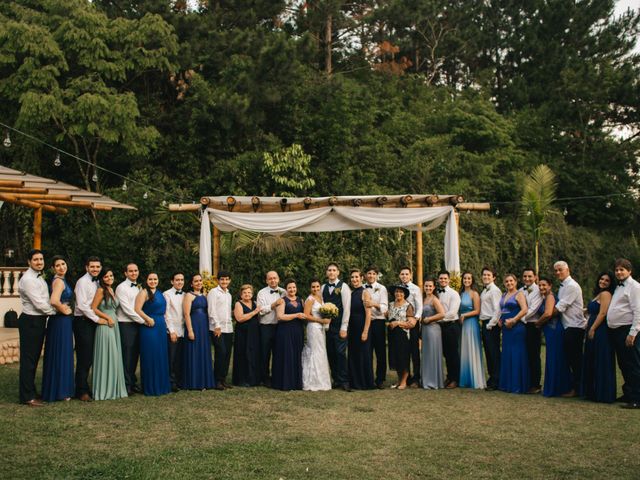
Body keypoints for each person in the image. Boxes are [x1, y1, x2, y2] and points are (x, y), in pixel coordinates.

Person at [18, 249, 57, 406]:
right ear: (29, 262)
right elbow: (39, 304)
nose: (39, 262)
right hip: (31, 321)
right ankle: (27, 396)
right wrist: (56, 312)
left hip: (39, 320)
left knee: (33, 359)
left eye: (41, 259)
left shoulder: (38, 277)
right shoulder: (28, 279)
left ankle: (31, 391)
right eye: (35, 260)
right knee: (29, 360)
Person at [606, 258, 640, 409]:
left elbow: (638, 311)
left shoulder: (634, 287)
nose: (618, 272)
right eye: (617, 270)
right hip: (616, 332)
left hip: (628, 330)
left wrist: (632, 333)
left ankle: (637, 398)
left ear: (629, 271)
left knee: (633, 365)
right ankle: (628, 393)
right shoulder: (619, 287)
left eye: (622, 270)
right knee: (623, 365)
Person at [91, 267, 128, 401]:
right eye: (106, 276)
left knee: (115, 355)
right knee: (108, 354)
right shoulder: (101, 290)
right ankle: (104, 389)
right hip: (106, 325)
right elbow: (93, 308)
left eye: (111, 276)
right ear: (101, 278)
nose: (109, 278)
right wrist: (106, 318)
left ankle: (114, 387)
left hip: (114, 324)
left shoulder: (112, 289)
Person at [41, 255, 74, 402]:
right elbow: (53, 300)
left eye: (63, 264)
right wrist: (63, 309)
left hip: (62, 321)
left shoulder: (61, 280)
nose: (62, 267)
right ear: (53, 268)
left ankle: (59, 388)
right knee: (60, 352)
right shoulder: (59, 282)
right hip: (60, 321)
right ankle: (60, 391)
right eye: (58, 265)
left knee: (62, 352)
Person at [580, 272, 616, 403]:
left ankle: (602, 393)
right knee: (592, 358)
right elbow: (594, 310)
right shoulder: (598, 294)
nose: (603, 281)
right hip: (594, 327)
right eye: (601, 279)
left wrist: (593, 328)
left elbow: (603, 313)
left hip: (600, 330)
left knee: (600, 359)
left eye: (607, 280)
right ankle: (592, 391)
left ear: (610, 283)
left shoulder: (606, 294)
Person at [134, 273, 171, 396]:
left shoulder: (160, 293)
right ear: (146, 280)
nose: (153, 281)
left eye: (155, 279)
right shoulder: (144, 292)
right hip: (149, 326)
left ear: (158, 280)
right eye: (150, 279)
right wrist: (148, 319)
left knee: (161, 354)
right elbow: (137, 309)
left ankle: (162, 385)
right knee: (151, 355)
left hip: (160, 325)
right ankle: (150, 386)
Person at [553, 260, 585, 398]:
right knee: (570, 358)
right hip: (567, 326)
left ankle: (578, 389)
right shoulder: (562, 286)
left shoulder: (572, 286)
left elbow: (560, 307)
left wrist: (543, 317)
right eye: (556, 270)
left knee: (575, 360)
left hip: (575, 326)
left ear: (568, 270)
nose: (558, 272)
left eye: (560, 269)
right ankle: (575, 387)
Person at [536, 277, 572, 397]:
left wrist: (538, 323)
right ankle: (556, 386)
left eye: (544, 285)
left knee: (556, 358)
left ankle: (560, 388)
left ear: (550, 286)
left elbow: (548, 313)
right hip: (550, 331)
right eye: (540, 285)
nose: (541, 287)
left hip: (554, 330)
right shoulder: (544, 297)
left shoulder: (550, 296)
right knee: (553, 358)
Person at [73, 256, 102, 401]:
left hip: (93, 321)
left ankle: (87, 386)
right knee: (84, 357)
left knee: (91, 356)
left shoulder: (97, 282)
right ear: (86, 267)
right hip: (83, 321)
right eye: (92, 266)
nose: (95, 269)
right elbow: (82, 306)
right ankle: (81, 390)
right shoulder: (82, 282)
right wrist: (98, 319)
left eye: (97, 267)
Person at [115, 263, 145, 395]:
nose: (133, 273)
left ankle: (132, 382)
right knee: (127, 355)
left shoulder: (139, 287)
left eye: (136, 270)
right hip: (126, 324)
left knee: (135, 355)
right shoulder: (121, 288)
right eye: (131, 271)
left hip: (138, 324)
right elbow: (126, 309)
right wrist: (143, 320)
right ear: (125, 273)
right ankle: (126, 385)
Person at [182, 274, 215, 391]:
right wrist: (190, 330)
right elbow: (186, 314)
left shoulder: (205, 296)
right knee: (194, 353)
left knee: (203, 352)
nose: (198, 283)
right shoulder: (188, 296)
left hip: (204, 327)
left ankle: (205, 381)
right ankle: (194, 382)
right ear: (191, 284)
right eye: (196, 281)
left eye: (200, 281)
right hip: (194, 326)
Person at [498, 273, 529, 394]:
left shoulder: (519, 294)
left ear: (516, 282)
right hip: (506, 328)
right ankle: (507, 384)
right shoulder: (504, 294)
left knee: (516, 354)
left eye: (511, 281)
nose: (509, 283)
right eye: (507, 281)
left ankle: (517, 385)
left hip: (516, 327)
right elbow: (503, 309)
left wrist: (514, 320)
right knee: (507, 353)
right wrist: (501, 319)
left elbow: (525, 309)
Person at [322, 263, 351, 391]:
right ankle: (336, 379)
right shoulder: (323, 287)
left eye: (334, 270)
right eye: (329, 270)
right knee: (331, 353)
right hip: (327, 327)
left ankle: (344, 380)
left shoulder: (344, 287)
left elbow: (346, 308)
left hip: (340, 326)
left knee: (340, 353)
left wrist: (344, 327)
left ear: (338, 272)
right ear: (327, 272)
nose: (332, 272)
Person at [272, 278, 305, 391]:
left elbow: (305, 315)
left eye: (294, 287)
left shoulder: (301, 300)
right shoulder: (282, 300)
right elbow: (280, 316)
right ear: (286, 289)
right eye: (290, 287)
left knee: (296, 355)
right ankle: (285, 383)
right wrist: (296, 315)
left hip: (297, 331)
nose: (292, 289)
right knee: (286, 355)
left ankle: (296, 383)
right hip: (285, 331)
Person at [301, 278, 332, 391]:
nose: (315, 289)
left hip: (321, 328)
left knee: (321, 352)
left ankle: (321, 380)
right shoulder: (310, 299)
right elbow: (306, 316)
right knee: (314, 352)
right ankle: (312, 381)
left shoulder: (320, 297)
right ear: (310, 288)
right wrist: (321, 321)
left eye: (317, 286)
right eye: (313, 287)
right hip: (313, 327)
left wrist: (328, 317)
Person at [347, 269, 374, 390]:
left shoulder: (365, 292)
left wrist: (365, 331)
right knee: (354, 354)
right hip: (352, 328)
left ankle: (365, 383)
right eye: (352, 277)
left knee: (364, 354)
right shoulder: (351, 293)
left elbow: (368, 314)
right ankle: (355, 382)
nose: (354, 279)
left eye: (357, 277)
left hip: (362, 326)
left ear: (361, 278)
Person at [458, 272, 485, 389]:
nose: (466, 280)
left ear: (472, 280)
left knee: (472, 348)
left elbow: (477, 311)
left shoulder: (474, 294)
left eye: (469, 278)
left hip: (471, 323)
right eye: (465, 278)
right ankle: (465, 378)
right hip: (462, 325)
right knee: (464, 350)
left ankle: (476, 379)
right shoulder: (460, 293)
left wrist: (465, 315)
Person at [256, 271, 284, 386]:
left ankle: (277, 376)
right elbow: (261, 310)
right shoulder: (261, 293)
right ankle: (265, 377)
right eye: (270, 279)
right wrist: (273, 305)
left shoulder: (284, 292)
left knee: (278, 352)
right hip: (266, 327)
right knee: (265, 353)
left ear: (278, 279)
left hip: (280, 326)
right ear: (267, 280)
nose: (273, 280)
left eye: (275, 278)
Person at [386, 285, 416, 390]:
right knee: (395, 358)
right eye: (397, 292)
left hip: (403, 334)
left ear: (404, 294)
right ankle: (399, 380)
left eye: (401, 292)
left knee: (403, 358)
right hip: (392, 334)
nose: (398, 294)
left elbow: (411, 323)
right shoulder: (390, 305)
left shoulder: (408, 306)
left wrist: (398, 323)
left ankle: (404, 381)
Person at [364, 265, 388, 389]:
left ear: (377, 275)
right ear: (365, 275)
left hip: (378, 322)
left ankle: (380, 379)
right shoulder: (362, 288)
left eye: (373, 273)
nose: (371, 276)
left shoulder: (382, 288)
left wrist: (374, 304)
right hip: (366, 323)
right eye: (369, 273)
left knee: (380, 352)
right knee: (367, 351)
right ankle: (368, 378)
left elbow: (385, 308)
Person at [208, 271, 233, 389]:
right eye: (222, 279)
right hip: (217, 328)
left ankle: (223, 379)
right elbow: (211, 310)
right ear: (218, 280)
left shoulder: (229, 294)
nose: (225, 281)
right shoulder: (213, 292)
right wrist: (217, 325)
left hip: (228, 328)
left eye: (227, 279)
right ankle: (216, 380)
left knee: (227, 354)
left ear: (229, 281)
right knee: (221, 352)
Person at [232, 284, 262, 387]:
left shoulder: (254, 303)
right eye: (244, 292)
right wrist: (254, 312)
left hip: (254, 332)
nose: (247, 294)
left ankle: (254, 378)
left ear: (252, 294)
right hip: (242, 333)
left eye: (249, 292)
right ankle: (242, 379)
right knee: (243, 354)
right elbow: (240, 318)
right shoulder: (238, 304)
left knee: (253, 354)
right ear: (241, 294)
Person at [521, 268, 544, 394]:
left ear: (535, 277)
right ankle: (526, 382)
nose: (527, 279)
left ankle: (536, 384)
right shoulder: (520, 290)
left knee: (534, 355)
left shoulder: (538, 290)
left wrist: (519, 319)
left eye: (530, 276)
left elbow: (534, 309)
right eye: (525, 276)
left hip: (533, 326)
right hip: (522, 326)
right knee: (524, 354)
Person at [437, 270, 461, 389]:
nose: (443, 280)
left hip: (451, 326)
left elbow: (452, 313)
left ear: (449, 280)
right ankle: (449, 376)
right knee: (446, 353)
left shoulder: (454, 294)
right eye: (441, 278)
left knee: (453, 354)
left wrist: (436, 319)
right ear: (438, 280)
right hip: (440, 327)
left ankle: (455, 379)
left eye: (445, 278)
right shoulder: (436, 293)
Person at [399, 267, 422, 387]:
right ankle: (405, 377)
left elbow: (419, 306)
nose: (404, 276)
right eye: (402, 274)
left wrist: (415, 319)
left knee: (414, 351)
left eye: (406, 274)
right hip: (401, 322)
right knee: (404, 351)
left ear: (410, 275)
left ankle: (416, 378)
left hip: (413, 322)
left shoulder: (415, 288)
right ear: (399, 275)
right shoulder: (398, 288)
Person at [479, 267, 502, 391]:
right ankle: (492, 377)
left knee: (493, 352)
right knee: (488, 352)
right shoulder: (485, 291)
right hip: (485, 323)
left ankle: (496, 380)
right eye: (484, 275)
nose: (486, 277)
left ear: (494, 277)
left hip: (491, 324)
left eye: (488, 275)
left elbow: (497, 310)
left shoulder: (495, 291)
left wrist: (490, 324)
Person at [420, 278, 445, 389]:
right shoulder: (424, 299)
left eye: (430, 286)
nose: (428, 288)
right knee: (426, 354)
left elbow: (442, 314)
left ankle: (433, 381)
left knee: (432, 354)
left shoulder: (434, 299)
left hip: (433, 329)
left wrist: (429, 319)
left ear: (434, 287)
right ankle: (426, 379)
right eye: (426, 286)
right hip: (425, 330)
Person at [163, 272, 186, 392]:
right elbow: (166, 314)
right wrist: (171, 331)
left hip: (184, 331)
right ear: (172, 281)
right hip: (172, 331)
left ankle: (180, 380)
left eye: (182, 280)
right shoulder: (166, 294)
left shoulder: (186, 294)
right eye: (177, 280)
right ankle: (171, 382)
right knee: (171, 358)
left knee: (180, 358)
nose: (180, 282)